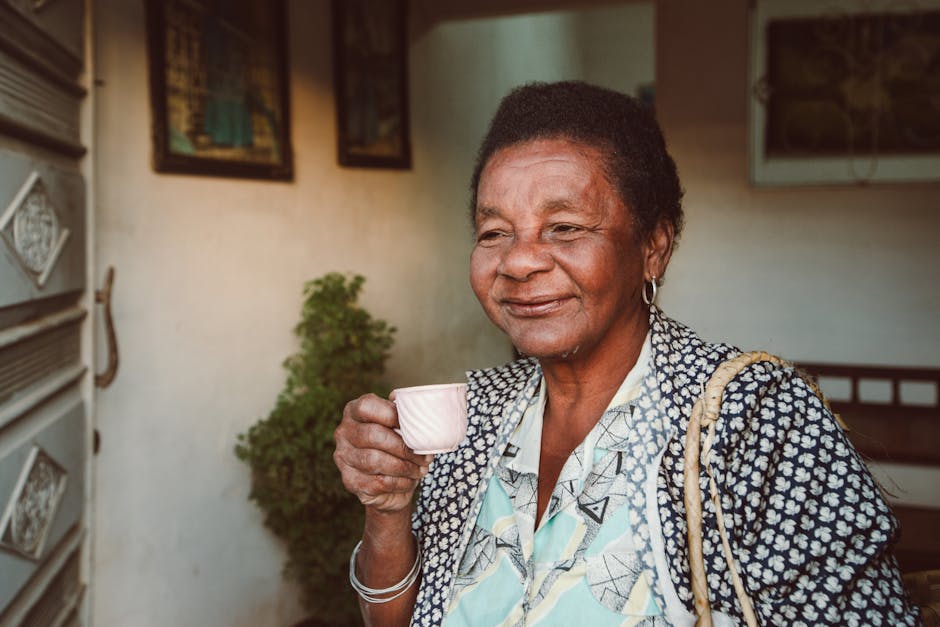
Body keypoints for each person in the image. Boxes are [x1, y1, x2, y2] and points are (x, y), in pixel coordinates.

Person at [333, 81, 918, 626]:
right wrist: (387, 510)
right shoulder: (474, 416)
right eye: (493, 233)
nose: (517, 261)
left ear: (653, 249)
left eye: (564, 227)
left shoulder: (751, 417)